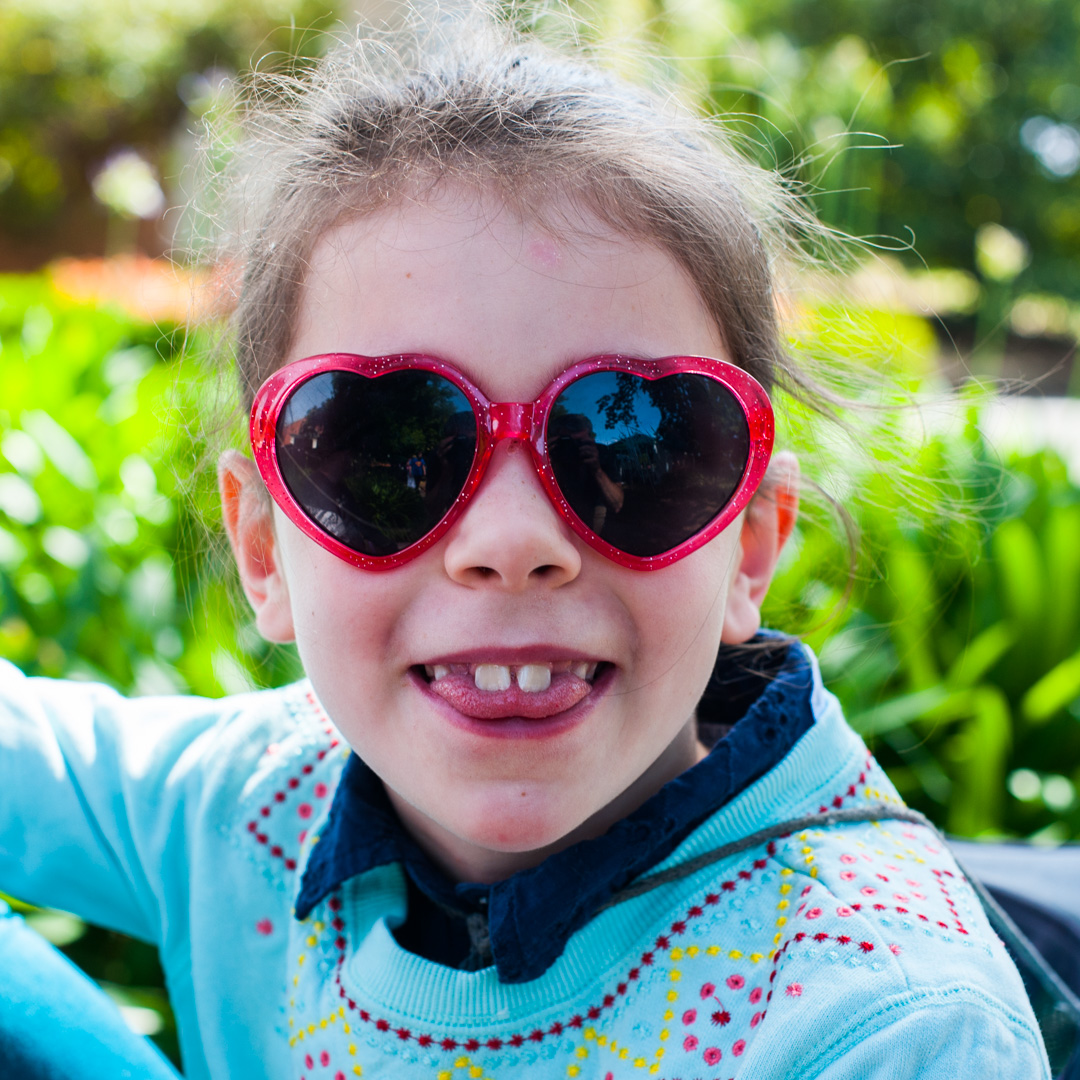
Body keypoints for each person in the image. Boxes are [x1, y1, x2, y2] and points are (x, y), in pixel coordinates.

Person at [0, 11, 1051, 1080]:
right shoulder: (261, 802)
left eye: (634, 447)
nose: (512, 541)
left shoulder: (888, 1027)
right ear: (265, 547)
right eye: (390, 449)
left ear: (747, 547)